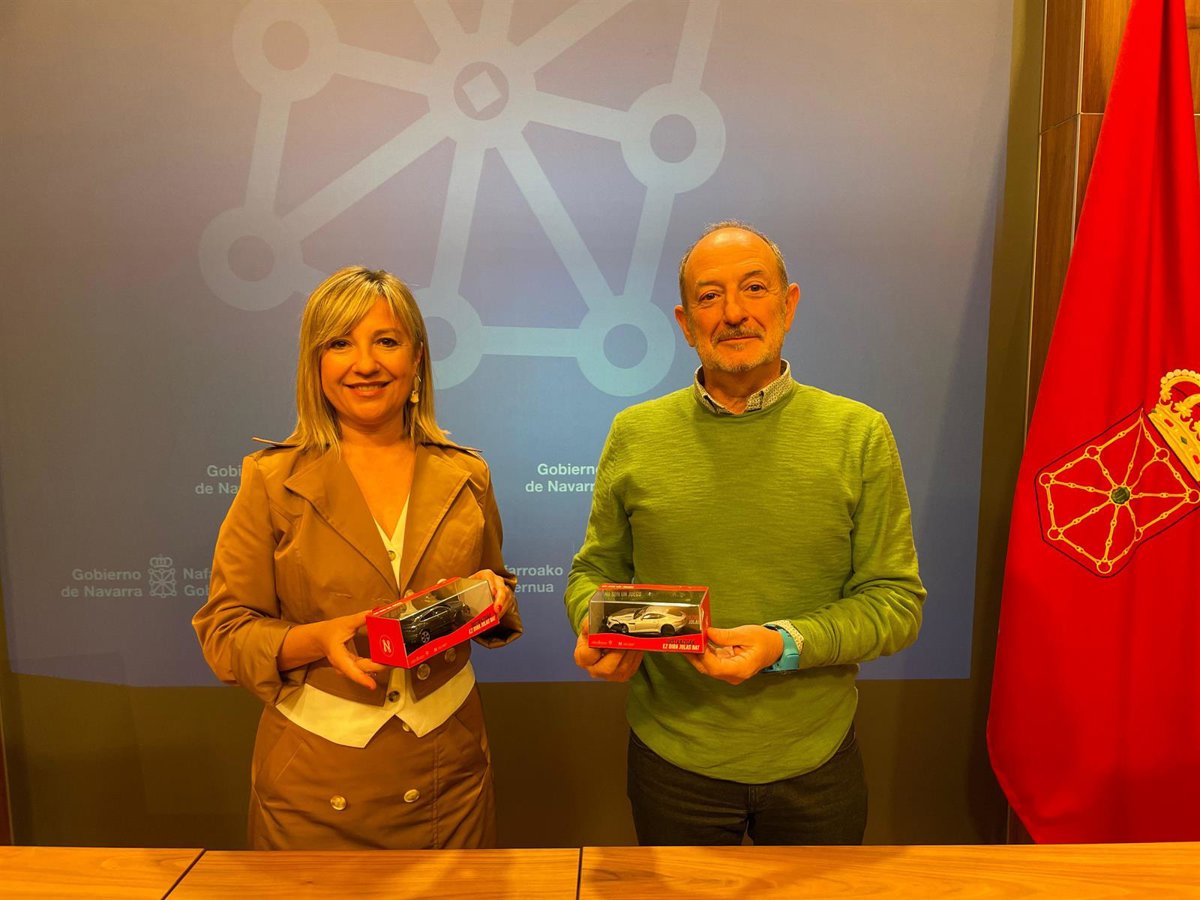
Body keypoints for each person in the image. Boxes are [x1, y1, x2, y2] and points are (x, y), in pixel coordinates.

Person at [564, 221, 925, 846]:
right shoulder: (635, 433)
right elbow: (593, 572)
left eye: (754, 288)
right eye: (710, 296)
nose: (733, 313)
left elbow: (896, 602)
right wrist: (598, 627)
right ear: (685, 323)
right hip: (672, 757)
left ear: (789, 305)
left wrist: (783, 643)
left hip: (817, 760)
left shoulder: (859, 433)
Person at [194, 266, 521, 850]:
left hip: (450, 783)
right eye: (340, 343)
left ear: (416, 359)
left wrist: (492, 596)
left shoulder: (467, 474)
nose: (365, 363)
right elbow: (226, 633)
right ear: (315, 364)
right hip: (314, 790)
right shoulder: (270, 479)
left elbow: (492, 578)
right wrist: (316, 640)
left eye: (386, 341)